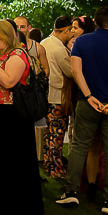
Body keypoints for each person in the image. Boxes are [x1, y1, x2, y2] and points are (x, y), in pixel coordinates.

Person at [56, 7, 108, 215]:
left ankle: (71, 190)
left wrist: (89, 95)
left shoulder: (82, 42)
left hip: (87, 103)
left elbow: (76, 71)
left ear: (96, 21)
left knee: (79, 146)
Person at [0, 19, 44, 215]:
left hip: (10, 114)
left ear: (6, 35)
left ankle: (15, 209)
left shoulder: (17, 55)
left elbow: (8, 81)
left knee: (11, 161)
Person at [40, 16, 75, 178]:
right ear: (66, 30)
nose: (72, 34)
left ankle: (48, 164)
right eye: (71, 31)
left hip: (45, 95)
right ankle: (56, 169)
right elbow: (70, 71)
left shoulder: (44, 43)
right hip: (57, 96)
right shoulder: (59, 48)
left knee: (49, 134)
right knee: (57, 134)